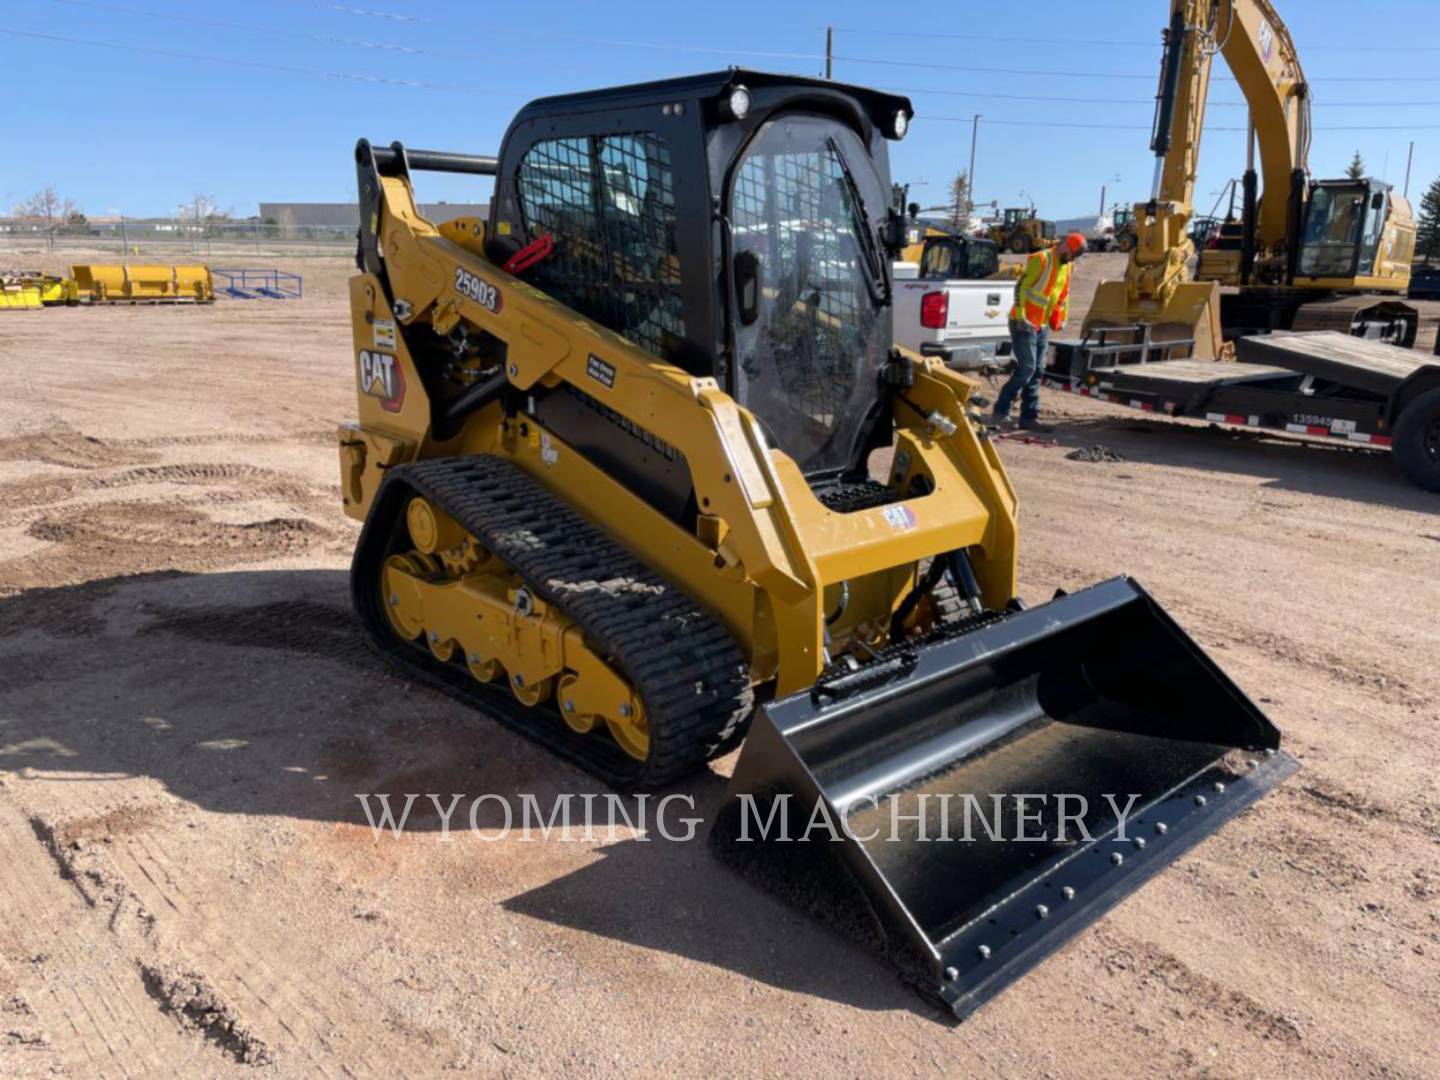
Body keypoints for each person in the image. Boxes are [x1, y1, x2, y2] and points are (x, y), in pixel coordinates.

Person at [991, 232, 1086, 432]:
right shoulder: (1042, 259)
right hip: (1022, 322)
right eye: (1072, 254)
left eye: (1075, 257)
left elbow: (1063, 296)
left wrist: (1061, 318)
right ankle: (1000, 411)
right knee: (1027, 368)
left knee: (1038, 370)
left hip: (1041, 326)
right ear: (1065, 246)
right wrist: (1022, 315)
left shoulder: (1067, 267)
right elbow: (1021, 287)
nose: (1072, 259)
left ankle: (1029, 417)